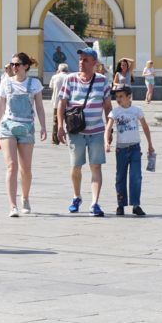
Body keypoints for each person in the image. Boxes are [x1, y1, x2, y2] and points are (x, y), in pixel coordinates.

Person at [0, 52, 48, 217]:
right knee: (11, 166)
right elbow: (0, 107)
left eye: (17, 64)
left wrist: (43, 126)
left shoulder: (34, 84)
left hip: (27, 127)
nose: (13, 67)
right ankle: (12, 205)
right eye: (12, 64)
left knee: (26, 169)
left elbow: (40, 108)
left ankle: (25, 197)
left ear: (26, 66)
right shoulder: (6, 83)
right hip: (7, 126)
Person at [56, 47, 112, 217]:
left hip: (96, 131)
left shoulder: (102, 81)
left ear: (95, 62)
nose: (81, 62)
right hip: (76, 131)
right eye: (80, 59)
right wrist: (60, 125)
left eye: (86, 59)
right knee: (76, 167)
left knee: (96, 166)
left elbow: (108, 107)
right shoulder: (70, 79)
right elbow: (62, 104)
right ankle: (76, 196)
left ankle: (95, 203)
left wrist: (109, 130)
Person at [105, 84, 154, 216]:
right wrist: (107, 142)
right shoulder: (115, 112)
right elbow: (108, 128)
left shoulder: (136, 110)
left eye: (121, 96)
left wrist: (150, 144)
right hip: (121, 149)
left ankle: (136, 205)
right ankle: (120, 205)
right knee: (120, 177)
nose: (118, 99)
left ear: (129, 97)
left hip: (135, 149)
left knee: (136, 176)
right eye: (116, 97)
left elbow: (145, 128)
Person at [48, 63, 70, 145]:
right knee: (68, 121)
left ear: (59, 69)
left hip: (57, 103)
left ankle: (55, 139)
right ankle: (68, 140)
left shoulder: (54, 77)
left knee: (56, 121)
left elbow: (51, 87)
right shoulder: (69, 77)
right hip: (68, 103)